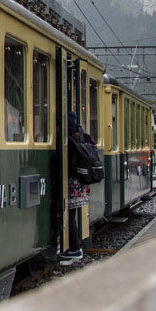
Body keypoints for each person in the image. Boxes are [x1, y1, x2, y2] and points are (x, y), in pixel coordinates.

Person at [61, 111, 91, 265]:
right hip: (79, 184)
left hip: (71, 182)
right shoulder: (79, 139)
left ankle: (74, 247)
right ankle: (74, 246)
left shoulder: (69, 142)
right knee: (71, 215)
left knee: (69, 216)